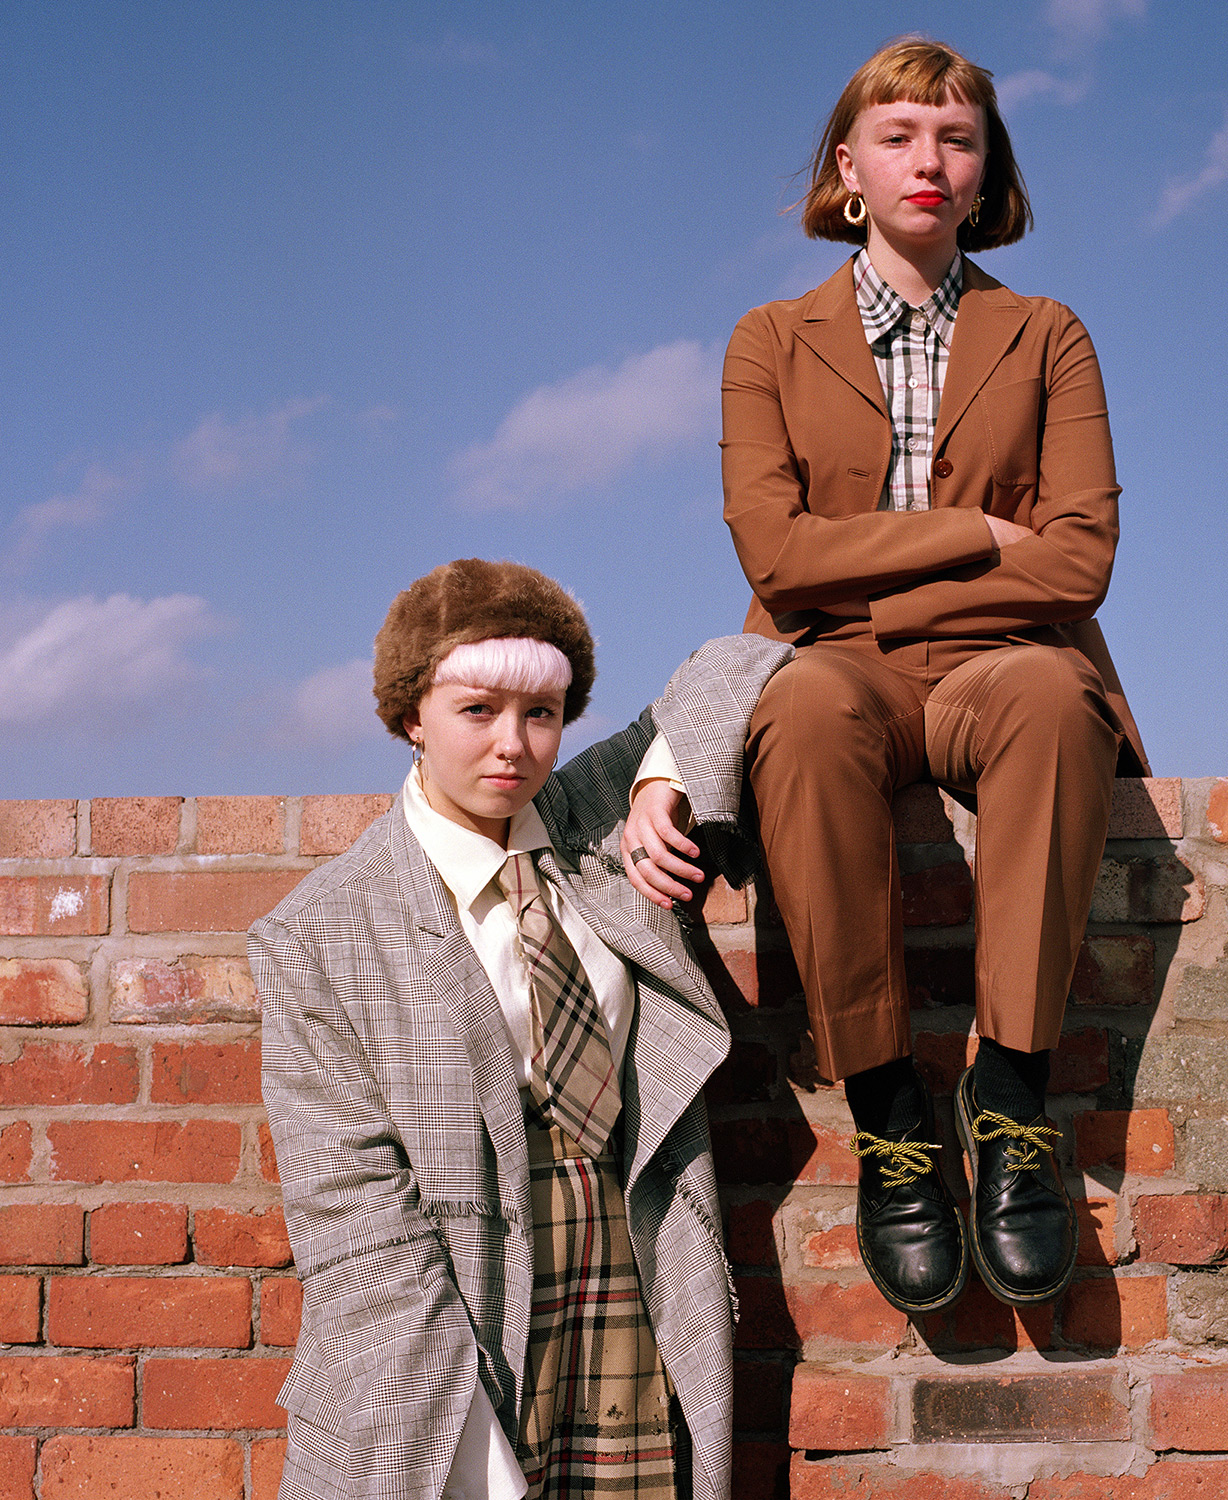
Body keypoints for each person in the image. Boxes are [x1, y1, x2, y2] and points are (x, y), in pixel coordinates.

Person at [721, 39, 1150, 1318]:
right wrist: (971, 532)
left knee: (1054, 701)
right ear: (848, 168)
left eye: (956, 139)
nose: (930, 159)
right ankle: (891, 1109)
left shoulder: (1047, 333)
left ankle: (1014, 1098)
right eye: (900, 135)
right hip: (832, 671)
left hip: (1001, 664)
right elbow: (774, 557)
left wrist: (872, 579)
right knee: (793, 708)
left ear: (983, 175)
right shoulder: (769, 339)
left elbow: (1080, 562)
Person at [249, 558, 789, 1500]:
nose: (514, 746)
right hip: (446, 1343)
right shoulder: (320, 935)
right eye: (477, 711)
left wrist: (662, 782)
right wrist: (465, 1448)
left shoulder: (590, 822)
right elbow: (354, 1218)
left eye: (542, 713)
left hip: (634, 1294)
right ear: (411, 714)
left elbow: (744, 661)